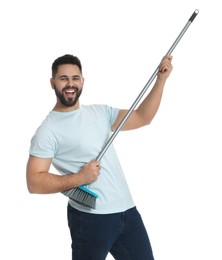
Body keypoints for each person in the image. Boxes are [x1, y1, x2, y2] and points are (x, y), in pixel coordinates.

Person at [26, 54, 173, 259]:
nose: (70, 84)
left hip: (128, 212)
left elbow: (142, 117)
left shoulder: (100, 113)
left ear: (82, 81)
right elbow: (34, 181)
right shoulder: (48, 130)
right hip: (90, 219)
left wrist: (160, 80)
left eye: (75, 78)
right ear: (52, 83)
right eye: (63, 78)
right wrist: (80, 178)